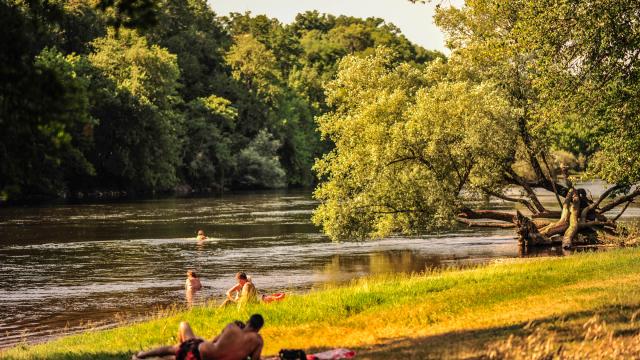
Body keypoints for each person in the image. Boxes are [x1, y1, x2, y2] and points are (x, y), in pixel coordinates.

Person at [132, 314, 264, 360]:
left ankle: (141, 355)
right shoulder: (258, 340)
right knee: (173, 354)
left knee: (173, 347)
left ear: (247, 322)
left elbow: (213, 341)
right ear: (258, 329)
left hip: (199, 350)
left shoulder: (231, 328)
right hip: (201, 355)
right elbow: (255, 359)